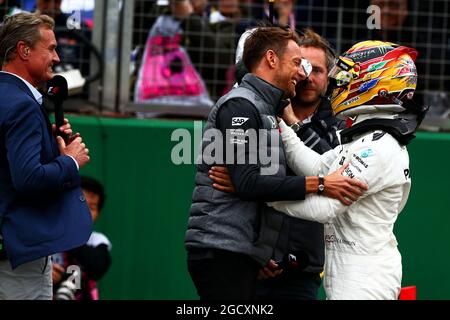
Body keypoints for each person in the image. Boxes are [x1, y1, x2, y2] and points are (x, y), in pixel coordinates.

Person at [185, 26, 367, 300]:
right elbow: (248, 182)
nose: (302, 73)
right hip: (223, 249)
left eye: (314, 69)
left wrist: (260, 251)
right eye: (296, 63)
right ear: (271, 59)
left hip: (250, 253)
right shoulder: (241, 106)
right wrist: (319, 184)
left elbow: (249, 182)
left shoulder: (268, 110)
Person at [269, 40, 428, 299]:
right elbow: (318, 167)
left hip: (365, 278)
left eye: (346, 78)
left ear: (377, 83)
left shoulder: (379, 146)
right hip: (352, 272)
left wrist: (260, 194)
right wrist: (282, 124)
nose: (337, 85)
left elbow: (325, 208)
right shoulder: (366, 135)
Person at [0, 12, 92, 299]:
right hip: (17, 253)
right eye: (51, 48)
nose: (57, 58)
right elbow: (28, 179)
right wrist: (70, 162)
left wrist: (50, 147)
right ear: (24, 50)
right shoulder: (22, 106)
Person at [255, 28, 344, 300]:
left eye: (317, 70)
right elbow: (245, 181)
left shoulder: (340, 126)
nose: (308, 76)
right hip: (254, 259)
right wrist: (255, 252)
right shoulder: (261, 113)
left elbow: (332, 169)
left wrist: (295, 123)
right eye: (302, 66)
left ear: (329, 79)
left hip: (305, 265)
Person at [53, 176, 112, 300]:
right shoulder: (45, 234)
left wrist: (70, 234)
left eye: (92, 208)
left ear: (98, 213)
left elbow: (97, 268)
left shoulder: (96, 240)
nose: (85, 210)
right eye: (80, 202)